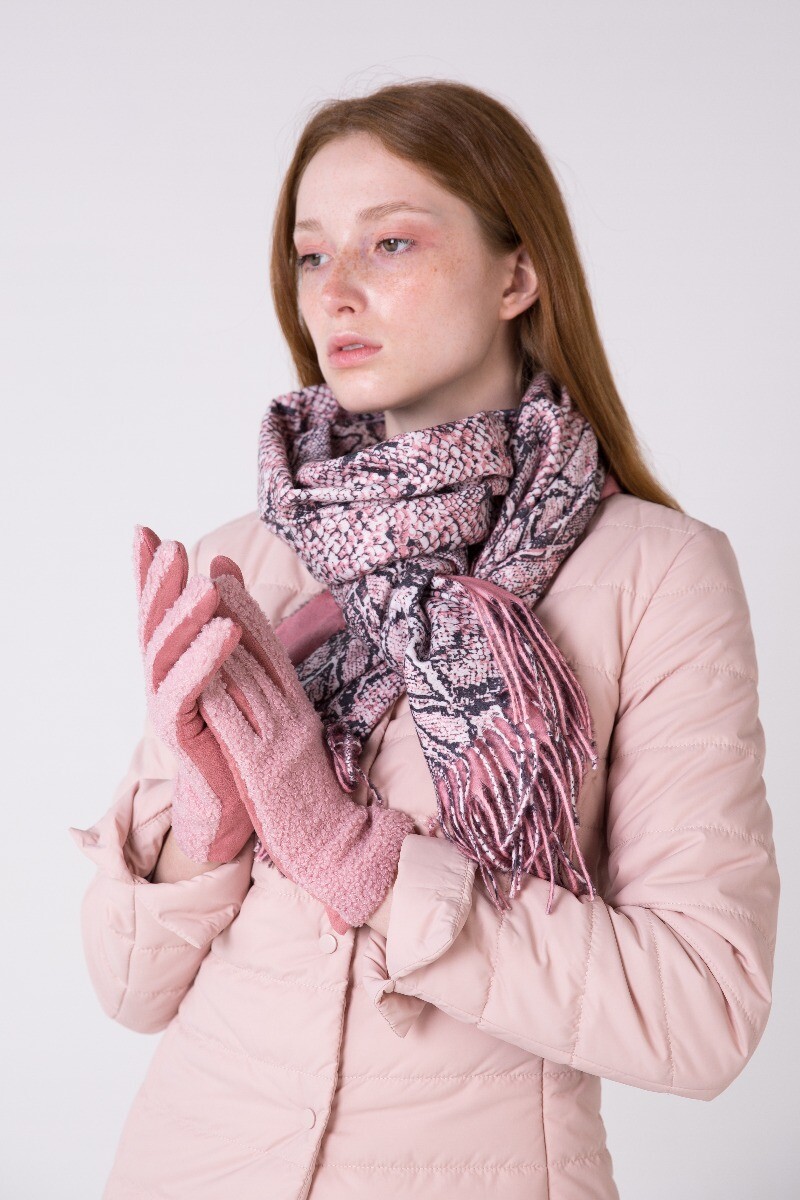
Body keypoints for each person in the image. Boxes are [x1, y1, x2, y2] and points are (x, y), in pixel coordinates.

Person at [71, 79, 780, 1200]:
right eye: (310, 255)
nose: (335, 290)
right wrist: (200, 830)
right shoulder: (242, 562)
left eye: (390, 242)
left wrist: (362, 862)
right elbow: (127, 990)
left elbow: (702, 1010)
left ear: (516, 274)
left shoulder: (655, 574)